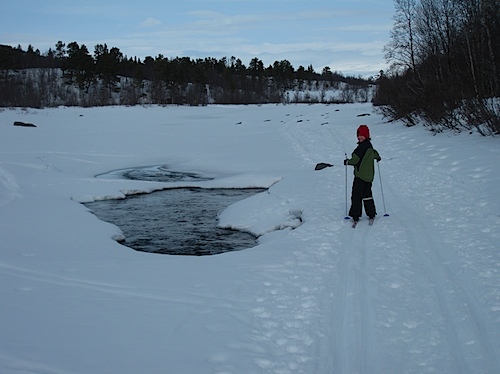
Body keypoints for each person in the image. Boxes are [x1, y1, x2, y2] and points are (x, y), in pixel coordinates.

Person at [344, 124, 381, 224]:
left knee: (356, 195)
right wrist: (378, 157)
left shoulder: (360, 149)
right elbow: (375, 154)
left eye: (362, 135)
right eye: (358, 135)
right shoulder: (369, 146)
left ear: (366, 136)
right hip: (369, 177)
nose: (360, 137)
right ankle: (371, 213)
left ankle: (355, 215)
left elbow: (355, 160)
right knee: (367, 194)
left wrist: (347, 162)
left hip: (360, 176)